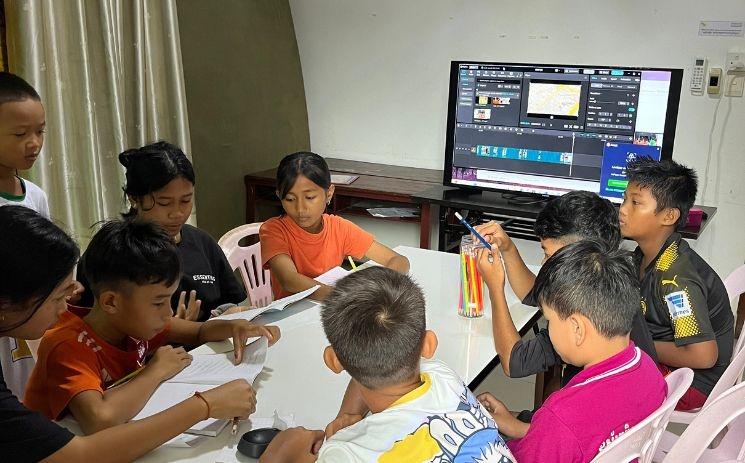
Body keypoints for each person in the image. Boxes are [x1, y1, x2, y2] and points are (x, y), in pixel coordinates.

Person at [0, 205, 257, 462]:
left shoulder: (131, 324)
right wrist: (200, 401)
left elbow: (198, 331)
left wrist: (235, 324)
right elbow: (96, 427)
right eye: (59, 296)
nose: (68, 302)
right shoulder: (68, 342)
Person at [260, 267, 515, 462]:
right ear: (428, 344)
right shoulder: (443, 376)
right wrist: (348, 416)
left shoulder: (346, 453)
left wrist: (281, 450)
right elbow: (372, 368)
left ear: (333, 361)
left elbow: (365, 369)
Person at [477, 240, 667, 462]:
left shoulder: (561, 417)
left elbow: (560, 436)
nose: (549, 327)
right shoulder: (649, 370)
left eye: (549, 320)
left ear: (577, 328)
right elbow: (585, 438)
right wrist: (520, 427)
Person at [474, 191, 657, 390]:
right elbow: (534, 294)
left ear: (577, 255)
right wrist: (508, 248)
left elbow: (514, 362)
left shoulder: (581, 312)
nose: (543, 263)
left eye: (548, 254)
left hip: (592, 408)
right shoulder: (611, 280)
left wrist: (495, 290)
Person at [75, 141, 247, 320]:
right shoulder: (115, 251)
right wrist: (172, 331)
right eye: (164, 203)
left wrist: (228, 314)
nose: (177, 213)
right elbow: (94, 326)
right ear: (135, 198)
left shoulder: (202, 242)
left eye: (186, 200)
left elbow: (233, 301)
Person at [620, 156, 733, 410]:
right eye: (625, 199)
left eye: (636, 203)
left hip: (694, 382)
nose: (623, 209)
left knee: (601, 375)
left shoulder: (675, 278)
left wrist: (636, 346)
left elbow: (703, 355)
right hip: (677, 364)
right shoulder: (644, 255)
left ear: (669, 215)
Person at [260, 151, 409, 300]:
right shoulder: (273, 230)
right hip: (293, 316)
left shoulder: (339, 228)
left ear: (329, 193)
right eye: (290, 199)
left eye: (310, 197)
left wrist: (380, 288)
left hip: (333, 311)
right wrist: (343, 298)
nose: (300, 208)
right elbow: (289, 280)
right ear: (279, 196)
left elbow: (399, 260)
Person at [0, 72, 51, 400]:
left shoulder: (35, 195)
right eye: (20, 134)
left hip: (28, 334)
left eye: (40, 131)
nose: (34, 143)